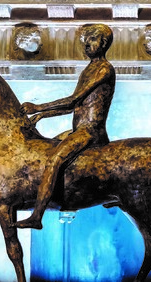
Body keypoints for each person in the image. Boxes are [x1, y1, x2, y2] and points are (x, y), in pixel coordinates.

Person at [15, 24, 116, 229]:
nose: (87, 44)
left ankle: (37, 215)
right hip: (78, 130)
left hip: (91, 132)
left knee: (54, 160)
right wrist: (42, 115)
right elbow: (74, 107)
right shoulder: (89, 69)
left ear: (103, 43)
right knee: (47, 149)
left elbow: (72, 101)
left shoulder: (104, 69)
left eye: (92, 39)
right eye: (86, 41)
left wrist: (38, 107)